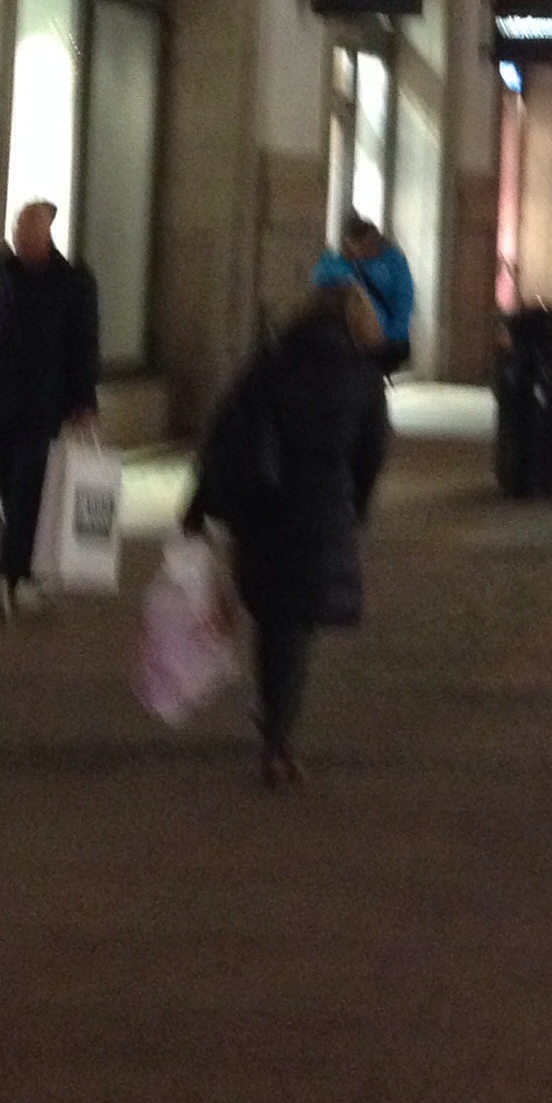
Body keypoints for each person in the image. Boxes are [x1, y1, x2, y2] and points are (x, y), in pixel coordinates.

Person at [185, 276, 390, 787]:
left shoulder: (271, 361)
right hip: (321, 509)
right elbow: (372, 453)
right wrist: (354, 509)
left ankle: (273, 720)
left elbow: (225, 434)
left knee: (275, 619)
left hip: (263, 506)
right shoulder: (362, 374)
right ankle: (276, 738)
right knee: (295, 625)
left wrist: (200, 507)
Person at [0, 199, 100, 620]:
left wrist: (84, 402)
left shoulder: (73, 283)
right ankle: (23, 576)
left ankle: (5, 574)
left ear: (46, 236)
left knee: (27, 489)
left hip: (44, 407)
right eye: (17, 230)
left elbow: (84, 346)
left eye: (27, 232)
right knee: (15, 496)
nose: (19, 238)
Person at [316, 213, 415, 375]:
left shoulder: (393, 261)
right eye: (358, 244)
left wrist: (393, 335)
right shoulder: (341, 264)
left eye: (368, 243)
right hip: (354, 339)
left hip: (381, 338)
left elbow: (404, 299)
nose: (364, 249)